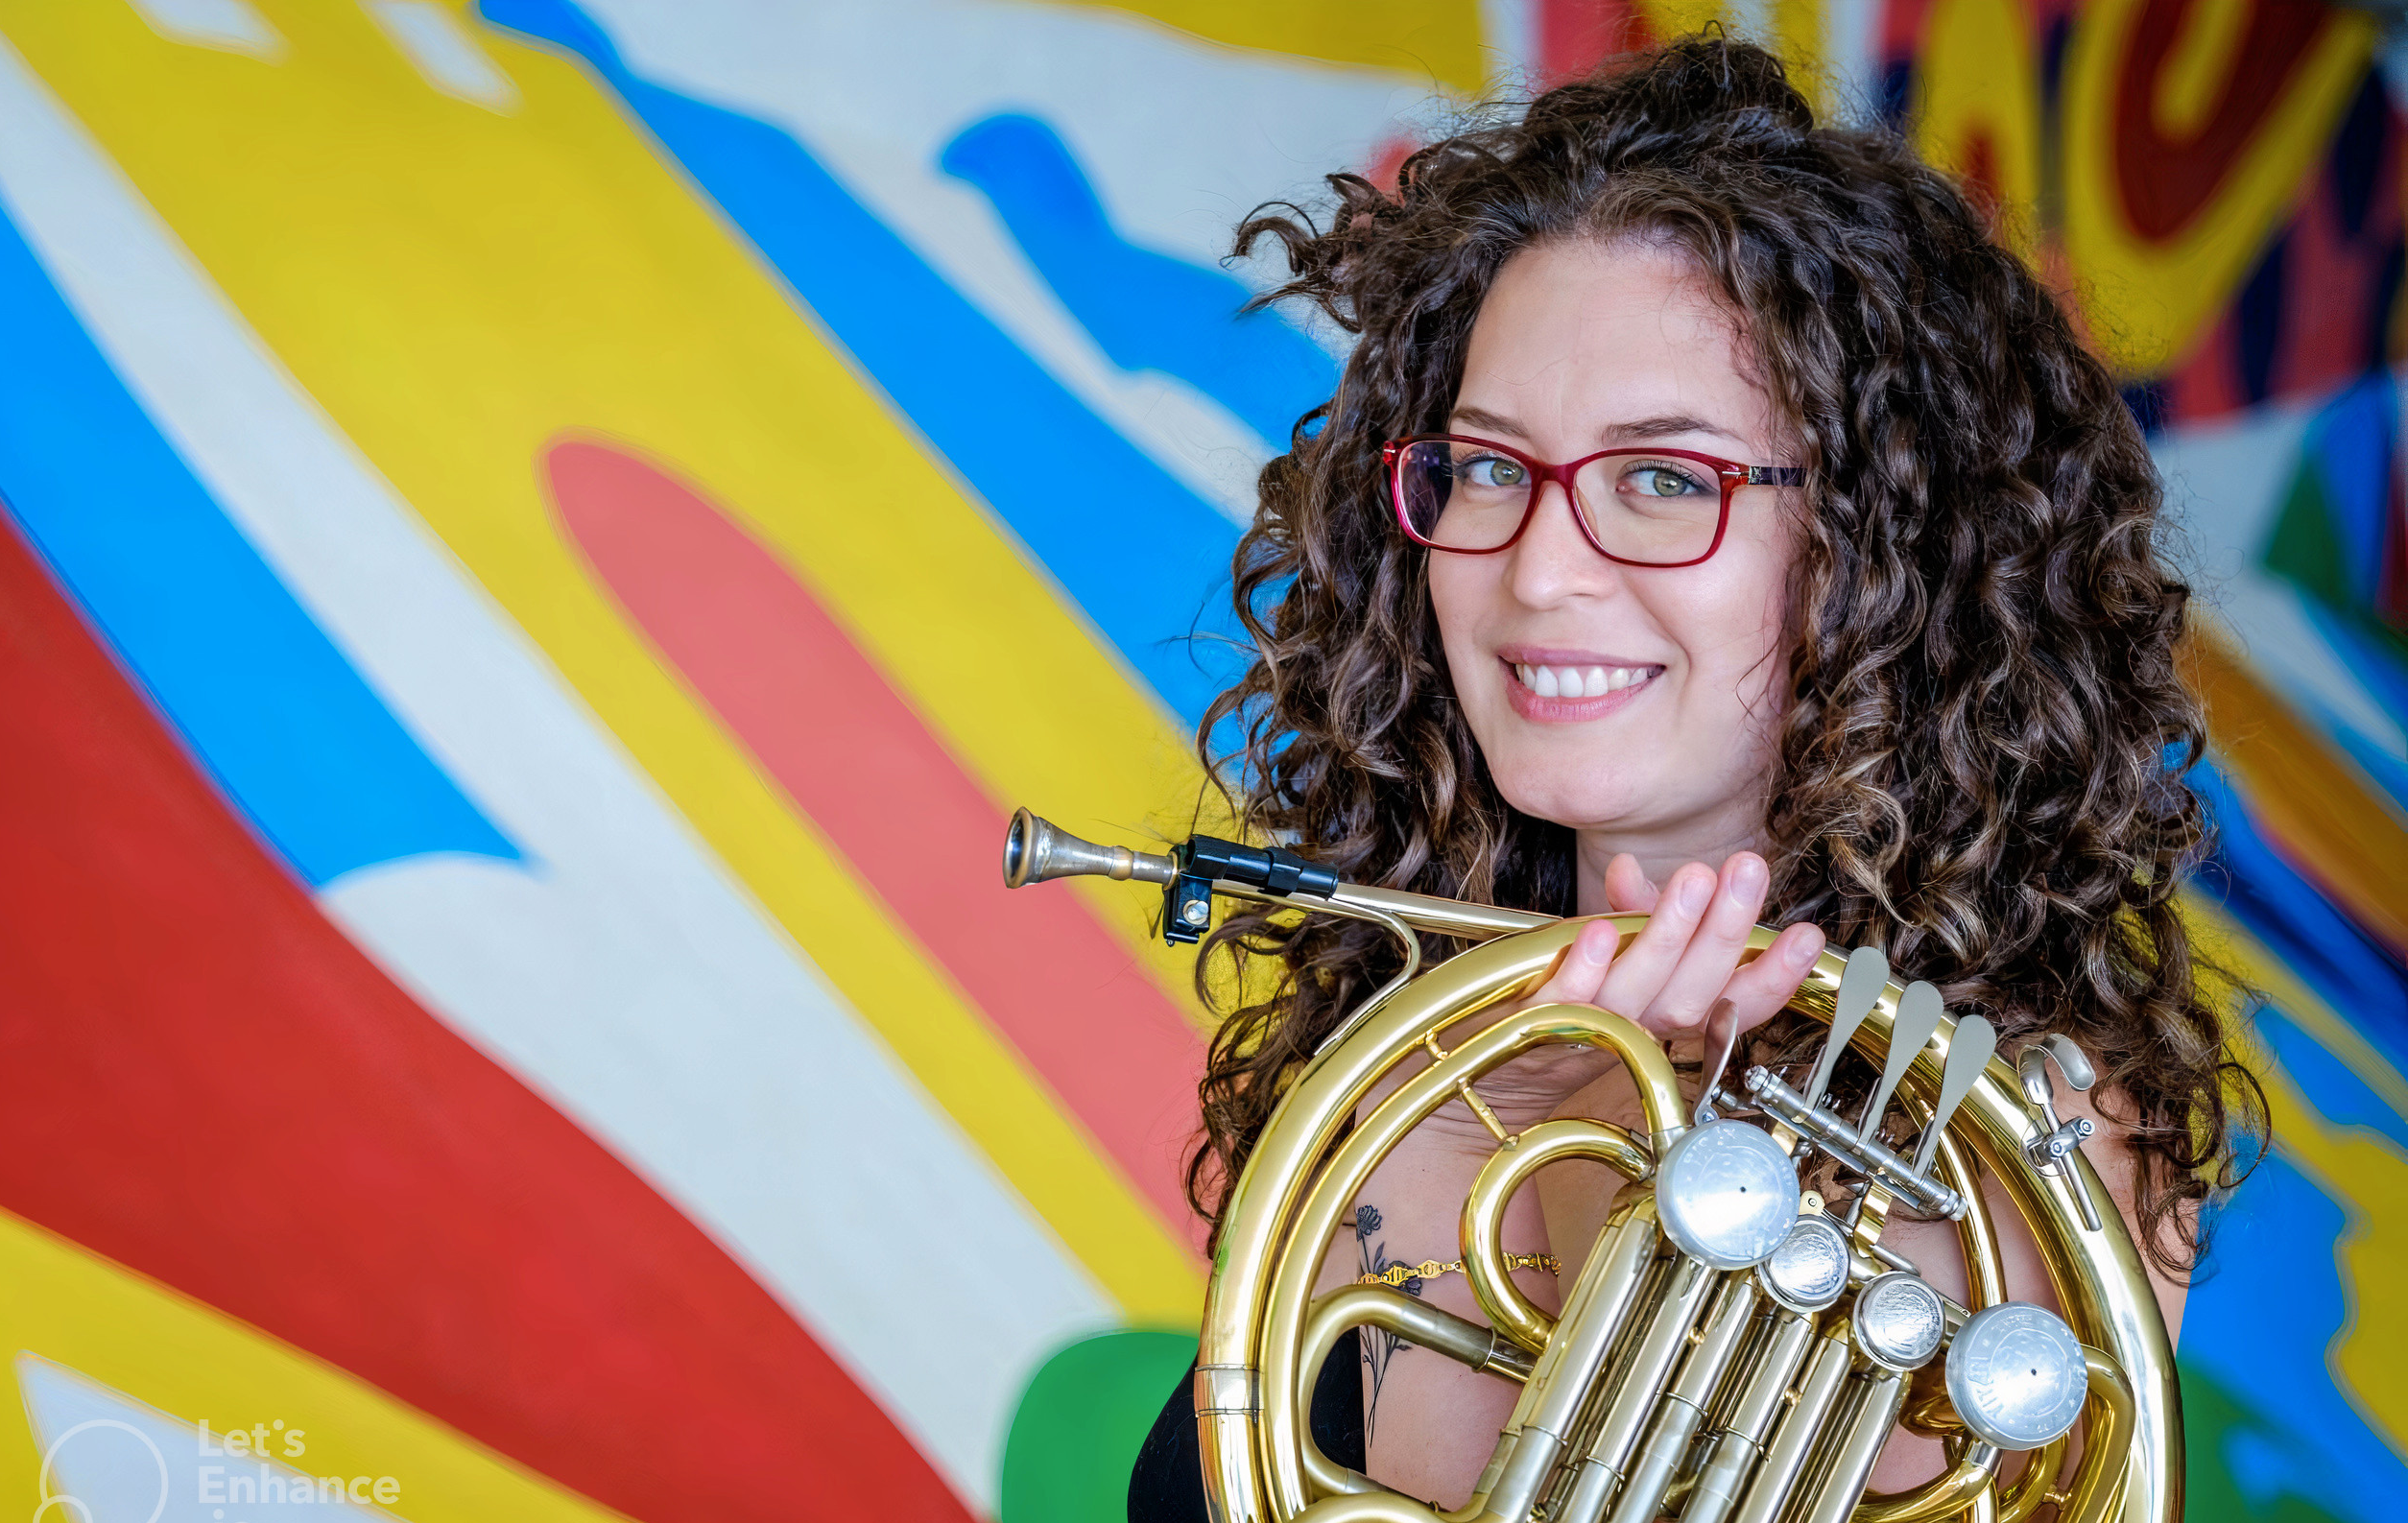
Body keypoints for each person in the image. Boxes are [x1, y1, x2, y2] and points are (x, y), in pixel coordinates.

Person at [1128, 35, 2261, 1519]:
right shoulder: (1402, 1044)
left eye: (1666, 479)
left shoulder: (2025, 1152)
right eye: (1486, 466)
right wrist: (1524, 1090)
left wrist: (1613, 1166)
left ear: (1881, 545)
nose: (1534, 569)